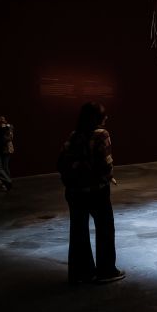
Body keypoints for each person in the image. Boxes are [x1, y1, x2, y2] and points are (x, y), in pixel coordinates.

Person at [57, 102, 124, 284]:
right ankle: (106, 270)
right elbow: (106, 163)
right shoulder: (102, 134)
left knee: (78, 232)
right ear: (98, 118)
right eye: (104, 114)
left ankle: (81, 272)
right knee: (105, 230)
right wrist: (108, 176)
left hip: (74, 191)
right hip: (96, 191)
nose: (106, 117)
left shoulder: (74, 134)